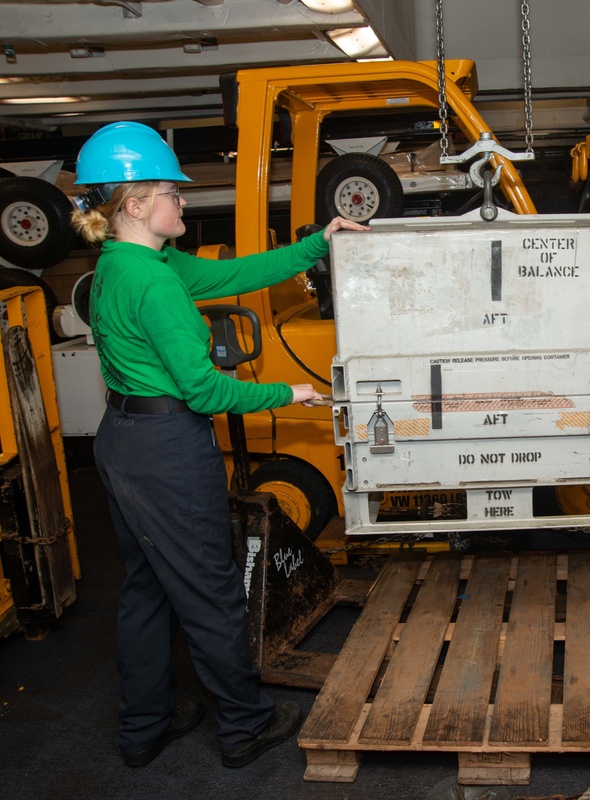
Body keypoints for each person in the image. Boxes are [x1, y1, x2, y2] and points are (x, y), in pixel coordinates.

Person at [70, 121, 369, 769]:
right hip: (167, 451)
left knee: (147, 589)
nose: (184, 201)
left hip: (123, 442)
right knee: (209, 588)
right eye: (172, 193)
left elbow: (234, 274)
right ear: (136, 204)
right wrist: (286, 395)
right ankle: (243, 724)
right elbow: (204, 392)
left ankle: (144, 726)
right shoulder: (152, 284)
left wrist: (317, 242)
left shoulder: (130, 263)